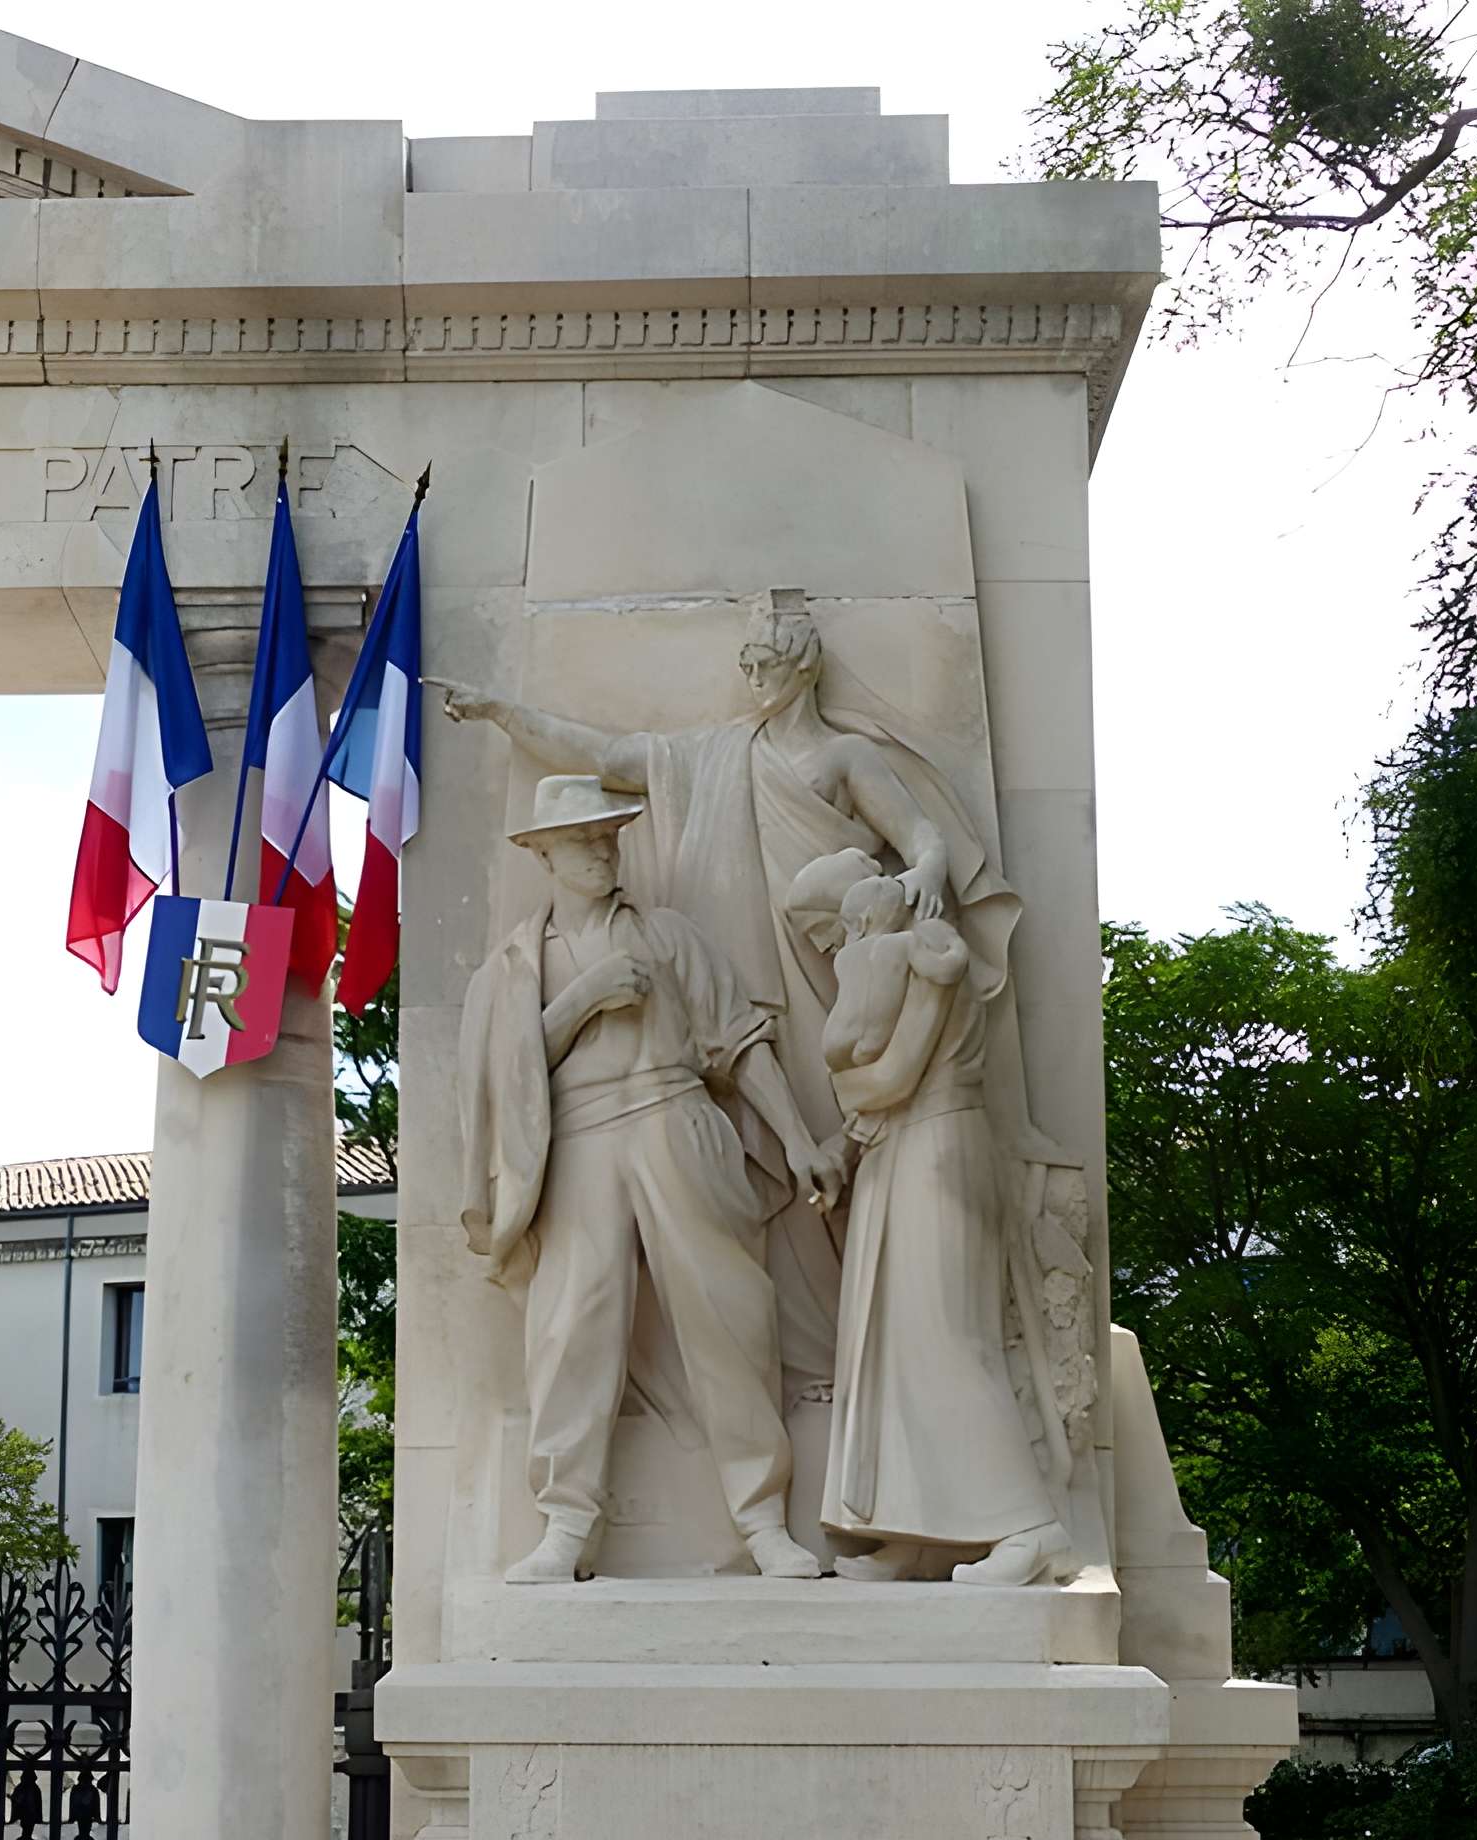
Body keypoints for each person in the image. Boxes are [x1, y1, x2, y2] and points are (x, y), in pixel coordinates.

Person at [439, 590, 1018, 1393]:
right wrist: (505, 713)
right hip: (728, 984)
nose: (753, 676)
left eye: (766, 661)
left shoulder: (844, 758)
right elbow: (607, 755)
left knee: (842, 1156)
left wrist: (924, 869)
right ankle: (810, 1363)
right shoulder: (711, 754)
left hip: (829, 981)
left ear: (804, 666)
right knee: (771, 1182)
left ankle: (871, 1357)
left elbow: (920, 833)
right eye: (746, 662)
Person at [460, 776, 846, 1583]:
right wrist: (582, 1000)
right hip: (579, 1140)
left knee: (728, 1312)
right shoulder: (514, 966)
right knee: (571, 1326)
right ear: (543, 854)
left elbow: (739, 1043)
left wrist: (798, 1140)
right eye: (583, 840)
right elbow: (504, 1073)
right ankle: (567, 1524)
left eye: (609, 836)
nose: (603, 851)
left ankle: (762, 1518)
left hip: (676, 1117)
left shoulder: (668, 935)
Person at [787, 850, 1075, 1587]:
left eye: (823, 931)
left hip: (938, 1150)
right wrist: (845, 1141)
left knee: (946, 1339)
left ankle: (1031, 1527)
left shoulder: (919, 958)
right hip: (903, 1151)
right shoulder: (902, 959)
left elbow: (892, 1077)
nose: (824, 949)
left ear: (854, 912)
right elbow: (880, 1094)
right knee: (894, 1348)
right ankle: (922, 1532)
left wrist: (846, 1089)